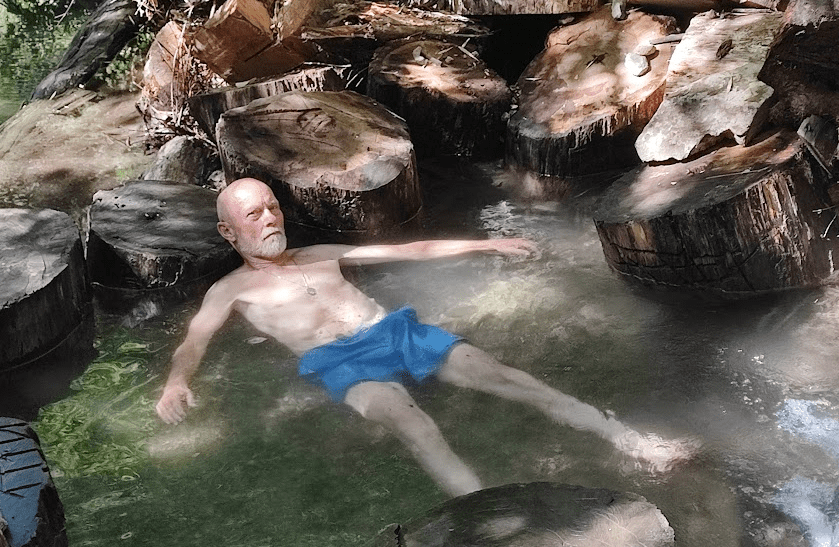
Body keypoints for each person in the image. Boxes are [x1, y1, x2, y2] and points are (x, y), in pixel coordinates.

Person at [156, 178, 680, 494]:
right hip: (340, 362)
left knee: (505, 376)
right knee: (413, 423)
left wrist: (484, 244)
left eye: (273, 206)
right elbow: (194, 341)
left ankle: (630, 440)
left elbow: (410, 250)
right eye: (254, 214)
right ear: (229, 232)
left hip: (395, 332)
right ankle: (484, 509)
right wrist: (177, 382)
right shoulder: (231, 290)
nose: (271, 218)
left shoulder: (320, 255)